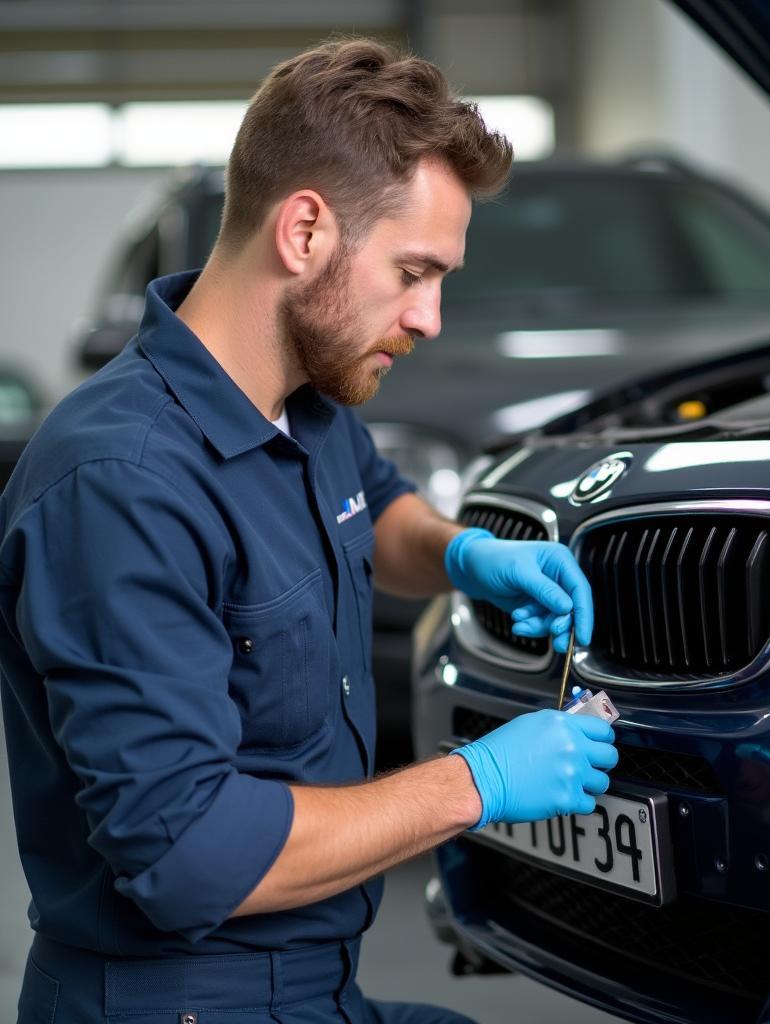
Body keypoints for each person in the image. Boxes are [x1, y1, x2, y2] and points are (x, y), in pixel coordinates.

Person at [0, 38, 618, 1024]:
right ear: (303, 232)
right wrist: (475, 782)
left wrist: (465, 554)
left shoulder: (306, 401)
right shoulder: (121, 483)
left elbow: (375, 507)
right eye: (414, 271)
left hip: (318, 985)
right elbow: (188, 854)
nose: (431, 317)